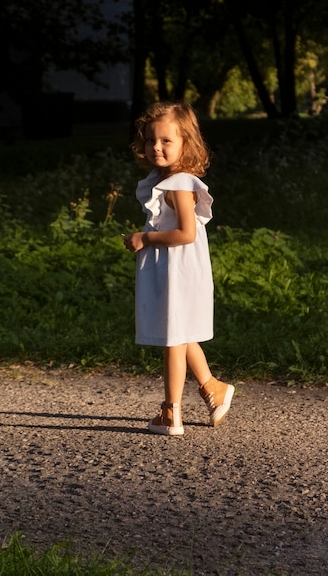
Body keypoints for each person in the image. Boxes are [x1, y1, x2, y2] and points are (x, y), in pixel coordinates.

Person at [123, 101, 234, 436]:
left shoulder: (180, 185)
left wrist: (146, 237)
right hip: (171, 268)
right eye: (150, 140)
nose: (156, 147)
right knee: (180, 333)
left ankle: (171, 412)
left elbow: (186, 233)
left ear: (186, 143)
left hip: (180, 270)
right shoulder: (166, 179)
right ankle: (212, 387)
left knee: (174, 338)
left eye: (166, 141)